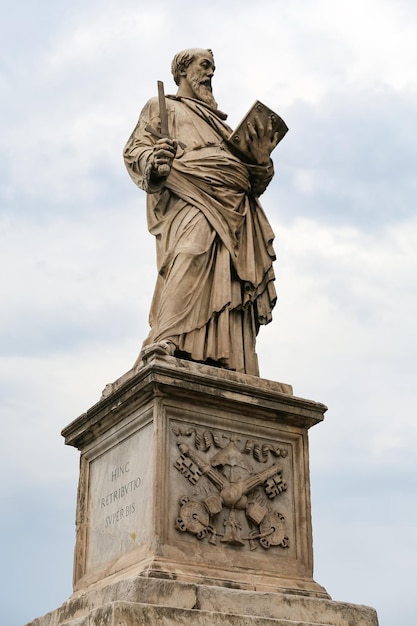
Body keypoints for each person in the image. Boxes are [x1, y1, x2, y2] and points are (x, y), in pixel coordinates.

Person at [124, 48, 279, 376]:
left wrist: (261, 159)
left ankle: (231, 356)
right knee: (190, 253)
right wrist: (155, 160)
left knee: (230, 279)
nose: (210, 74)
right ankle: (167, 337)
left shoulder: (222, 128)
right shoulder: (163, 108)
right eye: (205, 66)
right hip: (191, 196)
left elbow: (253, 180)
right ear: (182, 70)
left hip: (235, 209)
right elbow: (135, 150)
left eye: (213, 69)